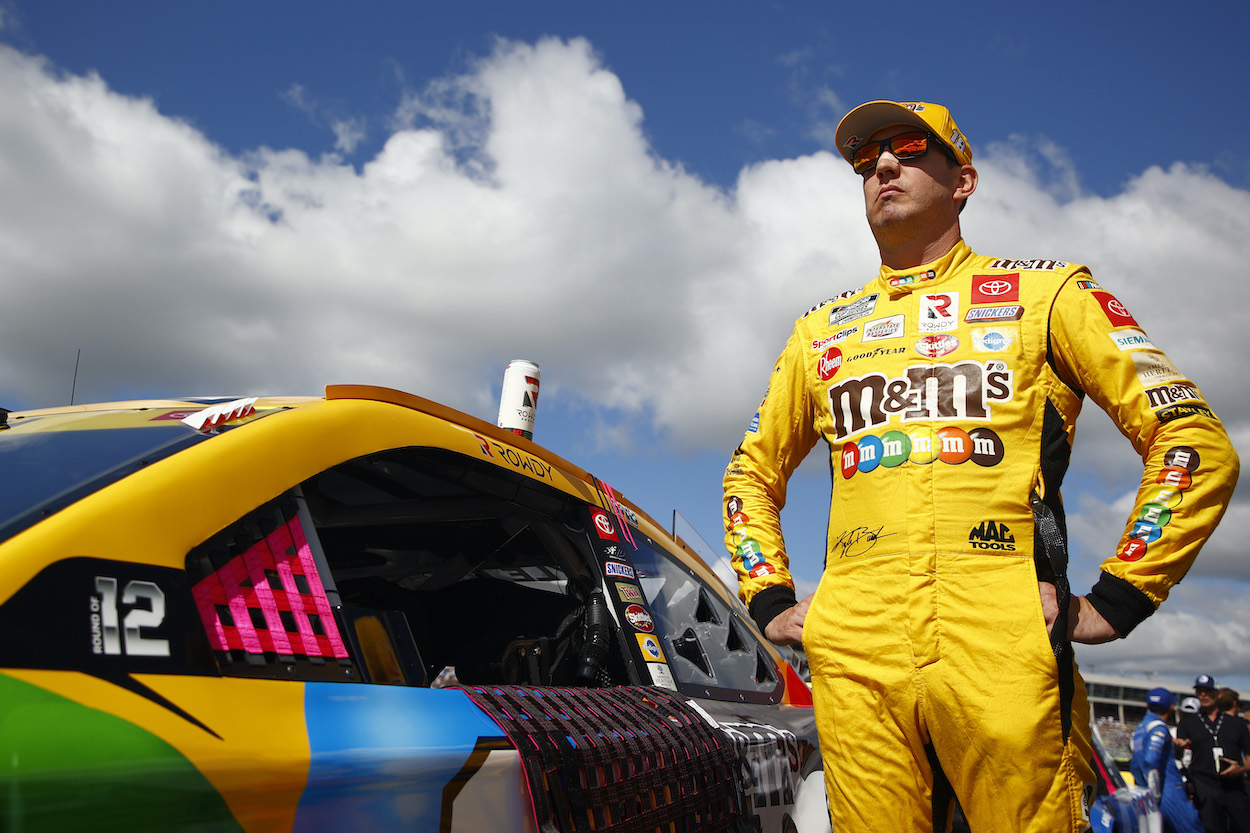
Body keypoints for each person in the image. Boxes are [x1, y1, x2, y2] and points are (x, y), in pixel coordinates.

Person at [721, 99, 1241, 833]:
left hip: (1003, 635)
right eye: (867, 163)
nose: (883, 167)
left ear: (963, 180)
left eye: (907, 148)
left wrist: (1121, 594)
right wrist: (770, 596)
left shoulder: (1048, 292)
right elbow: (750, 472)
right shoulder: (820, 331)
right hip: (855, 646)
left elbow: (1192, 439)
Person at [1177, 675, 1250, 832]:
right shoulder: (1188, 723)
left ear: (1218, 694)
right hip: (1204, 787)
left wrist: (1242, 769)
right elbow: (1179, 756)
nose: (1203, 695)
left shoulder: (1237, 724)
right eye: (1200, 691)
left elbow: (1249, 756)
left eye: (1208, 691)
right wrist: (1178, 746)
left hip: (1234, 787)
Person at [1132, 687, 1205, 833]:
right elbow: (1150, 761)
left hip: (1146, 792)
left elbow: (1135, 765)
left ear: (1147, 706)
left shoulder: (1140, 729)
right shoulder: (1158, 728)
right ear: (1171, 707)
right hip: (1168, 792)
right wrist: (1156, 795)